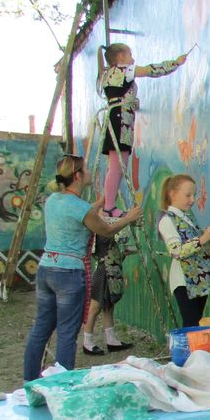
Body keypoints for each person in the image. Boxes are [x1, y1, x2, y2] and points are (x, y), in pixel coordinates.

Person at [22, 155, 143, 382]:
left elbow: (80, 214)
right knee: (67, 332)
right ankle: (63, 384)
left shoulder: (53, 200)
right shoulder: (81, 208)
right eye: (86, 170)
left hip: (47, 269)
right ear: (77, 176)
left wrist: (99, 204)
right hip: (69, 273)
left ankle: (29, 380)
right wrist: (129, 218)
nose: (89, 172)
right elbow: (106, 229)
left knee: (41, 329)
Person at [98, 42, 187, 217]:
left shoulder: (108, 74)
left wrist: (133, 103)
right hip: (120, 122)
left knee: (117, 166)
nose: (133, 59)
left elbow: (120, 95)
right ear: (120, 56)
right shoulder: (124, 69)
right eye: (130, 55)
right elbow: (151, 70)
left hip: (117, 119)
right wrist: (175, 63)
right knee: (117, 166)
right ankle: (109, 207)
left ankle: (109, 205)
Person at [157, 173, 210, 327]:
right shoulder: (167, 220)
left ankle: (190, 344)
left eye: (194, 195)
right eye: (188, 195)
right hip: (184, 281)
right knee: (191, 324)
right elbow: (176, 251)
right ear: (173, 194)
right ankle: (186, 345)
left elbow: (194, 247)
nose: (192, 200)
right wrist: (203, 239)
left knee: (195, 323)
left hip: (198, 279)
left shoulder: (187, 217)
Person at [81, 215, 135, 356]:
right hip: (104, 270)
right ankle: (87, 342)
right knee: (95, 307)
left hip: (110, 269)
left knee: (108, 306)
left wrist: (123, 253)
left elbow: (113, 253)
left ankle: (111, 340)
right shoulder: (102, 229)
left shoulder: (106, 228)